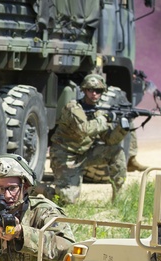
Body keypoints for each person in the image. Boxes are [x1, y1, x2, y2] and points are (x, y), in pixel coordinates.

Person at [49, 73, 128, 204]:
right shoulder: (73, 107)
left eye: (98, 91)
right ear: (84, 90)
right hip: (65, 155)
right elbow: (84, 130)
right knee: (67, 200)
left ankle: (118, 199)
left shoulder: (98, 111)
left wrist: (122, 129)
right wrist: (106, 118)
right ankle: (39, 189)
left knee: (116, 151)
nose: (94, 94)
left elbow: (108, 140)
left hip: (84, 154)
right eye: (90, 90)